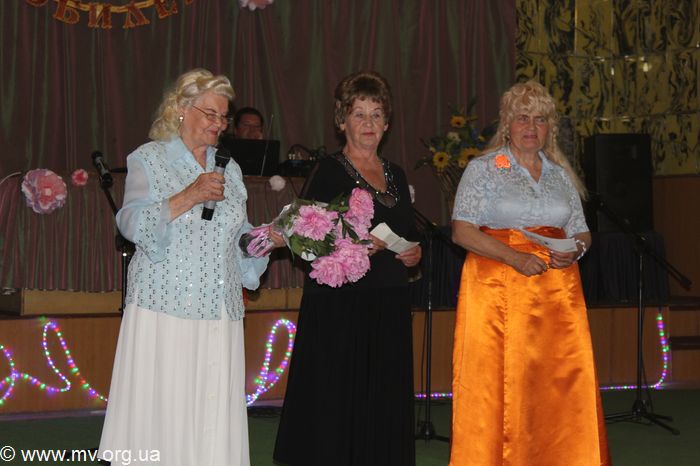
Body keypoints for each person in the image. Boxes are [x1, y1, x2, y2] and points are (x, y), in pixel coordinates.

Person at [98, 68, 282, 466]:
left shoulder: (229, 167)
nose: (219, 124)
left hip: (220, 309)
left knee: (211, 414)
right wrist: (188, 195)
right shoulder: (150, 158)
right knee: (167, 408)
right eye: (210, 114)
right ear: (181, 109)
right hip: (166, 307)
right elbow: (130, 222)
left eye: (223, 117)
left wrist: (270, 238)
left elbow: (238, 236)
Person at [449, 80, 611, 465]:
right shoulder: (485, 168)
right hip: (497, 290)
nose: (531, 127)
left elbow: (581, 230)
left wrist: (576, 250)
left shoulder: (559, 174)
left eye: (540, 119)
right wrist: (514, 257)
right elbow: (461, 231)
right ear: (507, 123)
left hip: (557, 293)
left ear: (549, 127)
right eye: (523, 117)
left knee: (558, 381)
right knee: (500, 382)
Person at [273, 70, 422, 466]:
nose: (369, 123)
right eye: (359, 114)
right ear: (343, 122)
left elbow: (407, 233)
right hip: (339, 306)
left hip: (388, 301)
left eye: (377, 114)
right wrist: (355, 245)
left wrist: (414, 253)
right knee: (336, 399)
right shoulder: (328, 170)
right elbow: (304, 240)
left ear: (387, 123)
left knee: (382, 397)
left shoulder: (397, 173)